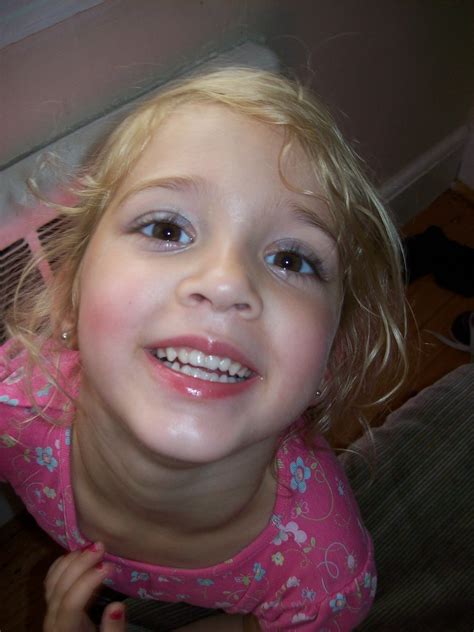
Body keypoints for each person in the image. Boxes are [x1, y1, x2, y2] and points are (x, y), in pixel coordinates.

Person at [0, 67, 407, 631]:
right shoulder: (13, 409)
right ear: (69, 295)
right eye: (167, 229)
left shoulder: (322, 577)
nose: (226, 282)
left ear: (330, 363)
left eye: (291, 260)